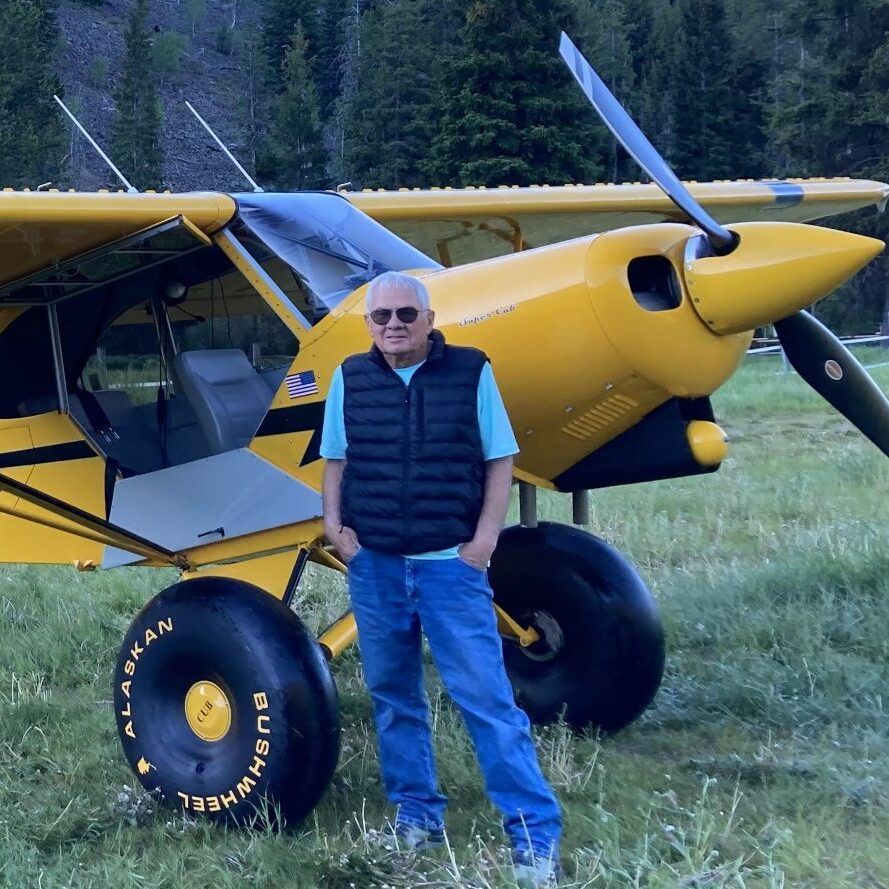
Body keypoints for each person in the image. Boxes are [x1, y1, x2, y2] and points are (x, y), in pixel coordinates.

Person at [320, 271, 561, 886]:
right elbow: (336, 458)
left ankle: (534, 836)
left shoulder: (472, 370)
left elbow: (499, 458)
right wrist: (334, 525)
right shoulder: (350, 377)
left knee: (486, 700)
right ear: (368, 324)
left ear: (429, 320)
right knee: (393, 696)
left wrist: (483, 542)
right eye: (381, 318)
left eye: (406, 315)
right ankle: (417, 817)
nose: (393, 326)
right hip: (374, 564)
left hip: (449, 567)